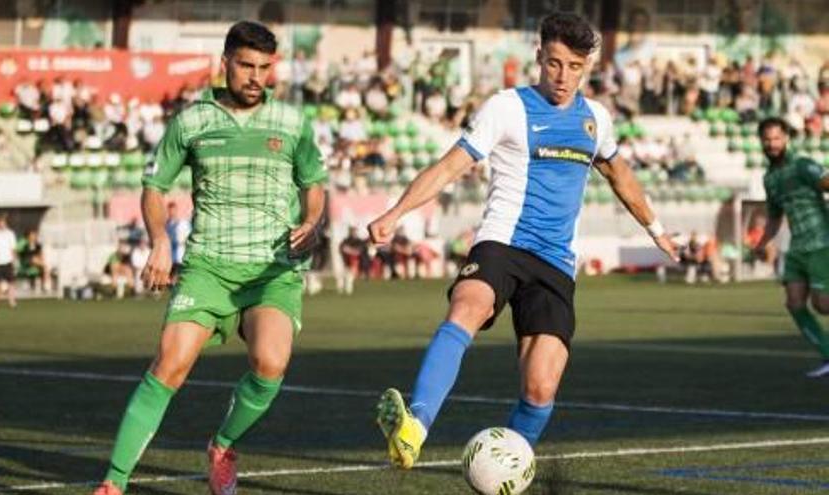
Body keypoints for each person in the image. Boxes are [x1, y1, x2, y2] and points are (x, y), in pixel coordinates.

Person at [367, 12, 678, 470]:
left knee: (540, 388)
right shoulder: (506, 107)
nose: (563, 76)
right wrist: (396, 212)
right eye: (554, 63)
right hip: (503, 244)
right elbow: (450, 165)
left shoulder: (597, 118)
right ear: (539, 57)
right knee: (467, 306)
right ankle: (416, 424)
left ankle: (504, 465)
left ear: (587, 66)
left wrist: (656, 230)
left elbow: (619, 174)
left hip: (555, 263)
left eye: (574, 66)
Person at [91, 21, 327, 495]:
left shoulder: (292, 123)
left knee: (270, 362)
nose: (255, 76)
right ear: (225, 63)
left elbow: (313, 184)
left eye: (264, 67)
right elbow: (155, 188)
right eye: (245, 65)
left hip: (272, 270)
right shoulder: (191, 121)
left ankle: (222, 446)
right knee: (169, 365)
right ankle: (113, 484)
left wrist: (312, 221)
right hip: (208, 267)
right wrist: (160, 241)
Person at [753, 117, 829, 378]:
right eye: (767, 139)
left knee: (823, 305)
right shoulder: (770, 178)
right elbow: (775, 216)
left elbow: (827, 182)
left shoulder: (803, 166)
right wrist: (762, 243)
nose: (772, 144)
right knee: (794, 302)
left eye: (776, 138)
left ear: (786, 138)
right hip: (797, 247)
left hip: (821, 242)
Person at [165, 201, 191, 281]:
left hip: (181, 253)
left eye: (173, 210)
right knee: (172, 276)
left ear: (176, 210)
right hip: (170, 254)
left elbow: (189, 236)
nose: (171, 213)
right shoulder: (167, 225)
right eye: (170, 210)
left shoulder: (183, 223)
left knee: (181, 275)